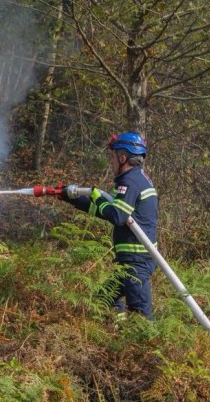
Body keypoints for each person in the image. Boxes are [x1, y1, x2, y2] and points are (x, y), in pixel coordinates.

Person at [60, 132, 159, 319]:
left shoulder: (130, 182)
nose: (111, 162)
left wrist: (96, 194)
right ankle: (120, 332)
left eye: (112, 157)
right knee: (105, 299)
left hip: (137, 261)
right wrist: (72, 200)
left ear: (123, 158)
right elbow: (106, 211)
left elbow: (117, 216)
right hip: (132, 260)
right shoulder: (135, 179)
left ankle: (146, 345)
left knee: (141, 315)